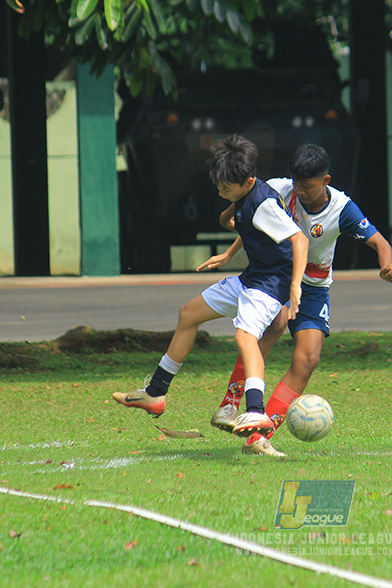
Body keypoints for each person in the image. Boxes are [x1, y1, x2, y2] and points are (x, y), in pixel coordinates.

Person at [197, 143, 392, 456]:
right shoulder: (279, 189)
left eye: (307, 186)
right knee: (267, 332)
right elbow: (251, 218)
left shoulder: (343, 210)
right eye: (296, 184)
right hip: (274, 276)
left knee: (308, 360)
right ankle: (231, 404)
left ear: (325, 180)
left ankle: (258, 436)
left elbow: (379, 241)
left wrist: (386, 266)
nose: (300, 192)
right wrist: (230, 245)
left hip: (313, 286)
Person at [113, 134, 309, 438]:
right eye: (217, 187)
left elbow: (299, 239)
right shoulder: (246, 194)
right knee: (189, 313)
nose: (221, 192)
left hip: (271, 284)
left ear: (248, 181)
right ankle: (156, 392)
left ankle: (256, 412)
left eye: (226, 188)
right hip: (251, 277)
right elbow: (249, 226)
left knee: (246, 338)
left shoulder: (263, 202)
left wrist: (295, 286)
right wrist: (229, 251)